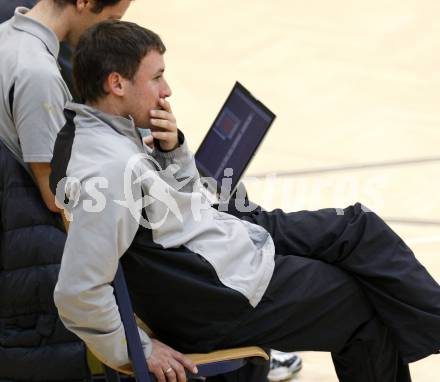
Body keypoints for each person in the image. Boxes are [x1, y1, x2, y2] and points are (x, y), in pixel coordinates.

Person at [50, 20, 440, 382]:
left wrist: (172, 155)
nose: (166, 90)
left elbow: (172, 216)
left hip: (212, 271)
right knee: (358, 301)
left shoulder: (89, 134)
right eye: (156, 77)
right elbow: (76, 290)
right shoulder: (110, 169)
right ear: (117, 84)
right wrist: (138, 349)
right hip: (214, 297)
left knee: (356, 238)